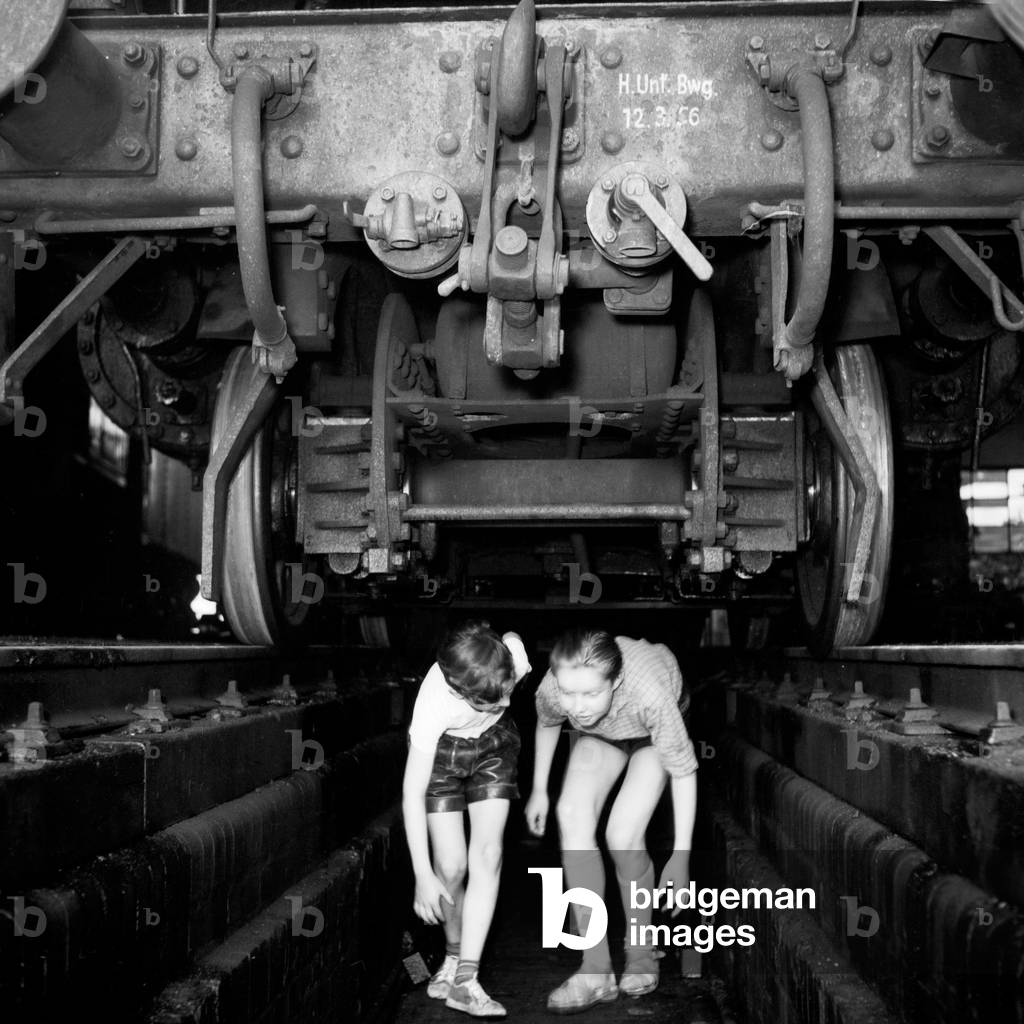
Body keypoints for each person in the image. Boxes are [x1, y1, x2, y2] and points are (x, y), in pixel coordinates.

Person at [525, 629, 698, 1014]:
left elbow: (684, 771)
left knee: (622, 834)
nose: (578, 705)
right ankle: (595, 970)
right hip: (603, 733)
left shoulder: (650, 692)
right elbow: (550, 721)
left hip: (652, 731)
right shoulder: (559, 684)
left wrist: (680, 856)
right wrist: (539, 789)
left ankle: (640, 953)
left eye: (589, 694)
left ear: (615, 681)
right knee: (570, 813)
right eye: (570, 693)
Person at [403, 621, 532, 1018]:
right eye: (489, 702)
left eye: (506, 693)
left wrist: (497, 703)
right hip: (443, 757)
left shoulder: (513, 655)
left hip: (495, 748)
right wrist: (423, 874)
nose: (505, 703)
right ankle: (452, 955)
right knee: (451, 868)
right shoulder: (433, 704)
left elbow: (510, 648)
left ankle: (466, 981)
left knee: (488, 855)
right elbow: (411, 794)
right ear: (459, 691)